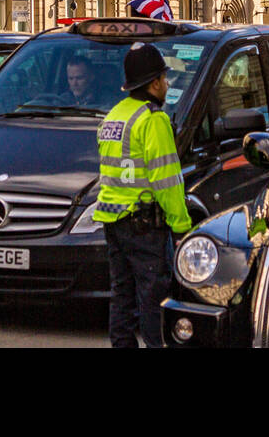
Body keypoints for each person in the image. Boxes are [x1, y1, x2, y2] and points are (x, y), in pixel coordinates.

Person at [93, 42, 191, 347]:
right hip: (144, 225)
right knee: (154, 296)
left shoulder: (113, 117)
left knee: (121, 296)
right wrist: (181, 225)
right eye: (164, 78)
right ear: (154, 83)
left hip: (114, 221)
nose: (167, 84)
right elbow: (167, 180)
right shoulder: (153, 119)